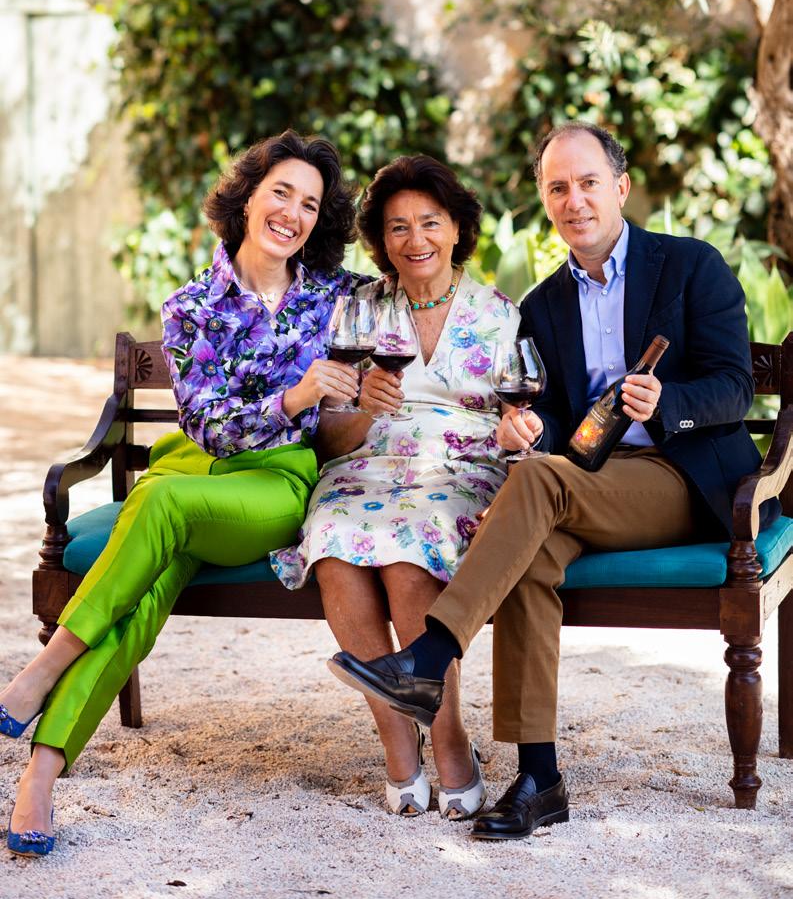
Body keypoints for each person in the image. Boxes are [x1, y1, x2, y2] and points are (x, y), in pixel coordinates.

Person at [326, 121, 779, 839]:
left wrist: (669, 403)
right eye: (558, 187)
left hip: (684, 478)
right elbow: (557, 416)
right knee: (531, 545)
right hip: (592, 480)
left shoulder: (691, 266)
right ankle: (539, 777)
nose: (575, 200)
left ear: (620, 187)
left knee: (536, 485)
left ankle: (429, 657)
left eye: (588, 182)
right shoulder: (540, 305)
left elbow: (733, 385)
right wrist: (530, 429)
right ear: (545, 200)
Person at [0, 130, 361, 857]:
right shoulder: (192, 304)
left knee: (156, 507)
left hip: (275, 482)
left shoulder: (338, 298)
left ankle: (46, 663)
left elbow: (422, 289)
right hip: (189, 469)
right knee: (144, 594)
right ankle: (40, 774)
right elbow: (209, 426)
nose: (292, 213)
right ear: (248, 198)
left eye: (310, 204)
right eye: (281, 193)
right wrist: (292, 395)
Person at [272, 155, 521, 818]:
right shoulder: (359, 311)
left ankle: (450, 740)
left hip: (458, 469)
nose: (415, 240)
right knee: (333, 543)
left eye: (430, 223)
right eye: (397, 227)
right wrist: (361, 408)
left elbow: (520, 419)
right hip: (367, 465)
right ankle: (395, 739)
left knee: (410, 557)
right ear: (380, 240)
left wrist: (517, 431)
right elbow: (329, 439)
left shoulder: (498, 314)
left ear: (457, 228)